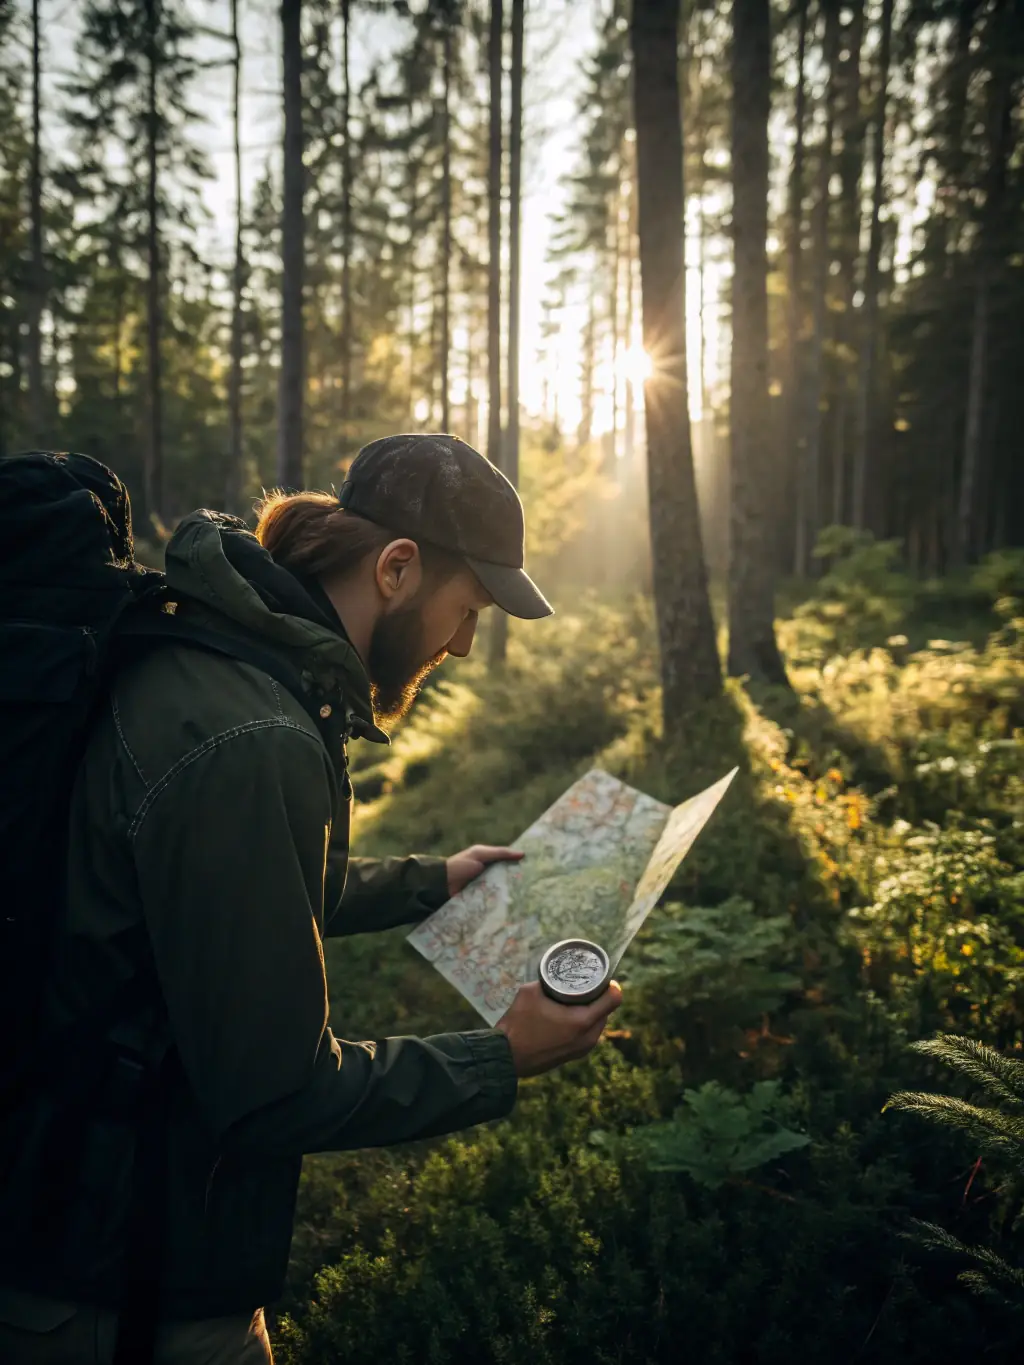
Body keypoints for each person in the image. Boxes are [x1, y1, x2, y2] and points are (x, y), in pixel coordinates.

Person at [0, 433, 622, 1365]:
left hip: (92, 1233)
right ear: (398, 568)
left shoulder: (228, 661)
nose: (461, 642)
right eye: (469, 609)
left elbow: (233, 893)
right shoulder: (252, 733)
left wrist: (432, 879)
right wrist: (502, 1056)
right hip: (122, 1281)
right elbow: (273, 1091)